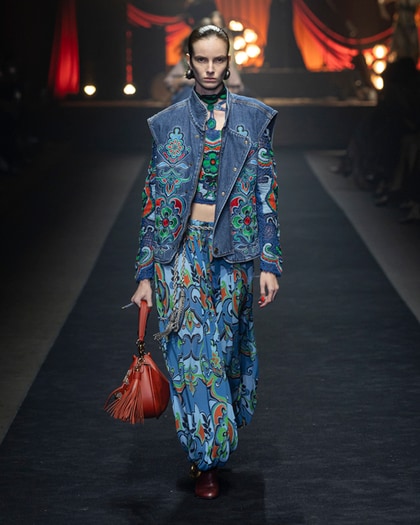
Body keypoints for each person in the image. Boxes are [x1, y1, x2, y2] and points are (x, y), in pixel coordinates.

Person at [131, 24, 282, 499]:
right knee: (194, 353)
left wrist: (269, 262)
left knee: (228, 351)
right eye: (202, 60)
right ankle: (206, 459)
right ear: (189, 62)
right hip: (179, 252)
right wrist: (144, 273)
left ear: (229, 61)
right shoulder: (168, 122)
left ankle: (214, 438)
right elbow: (153, 200)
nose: (211, 69)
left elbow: (266, 192)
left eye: (219, 60)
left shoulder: (254, 118)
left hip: (233, 249)